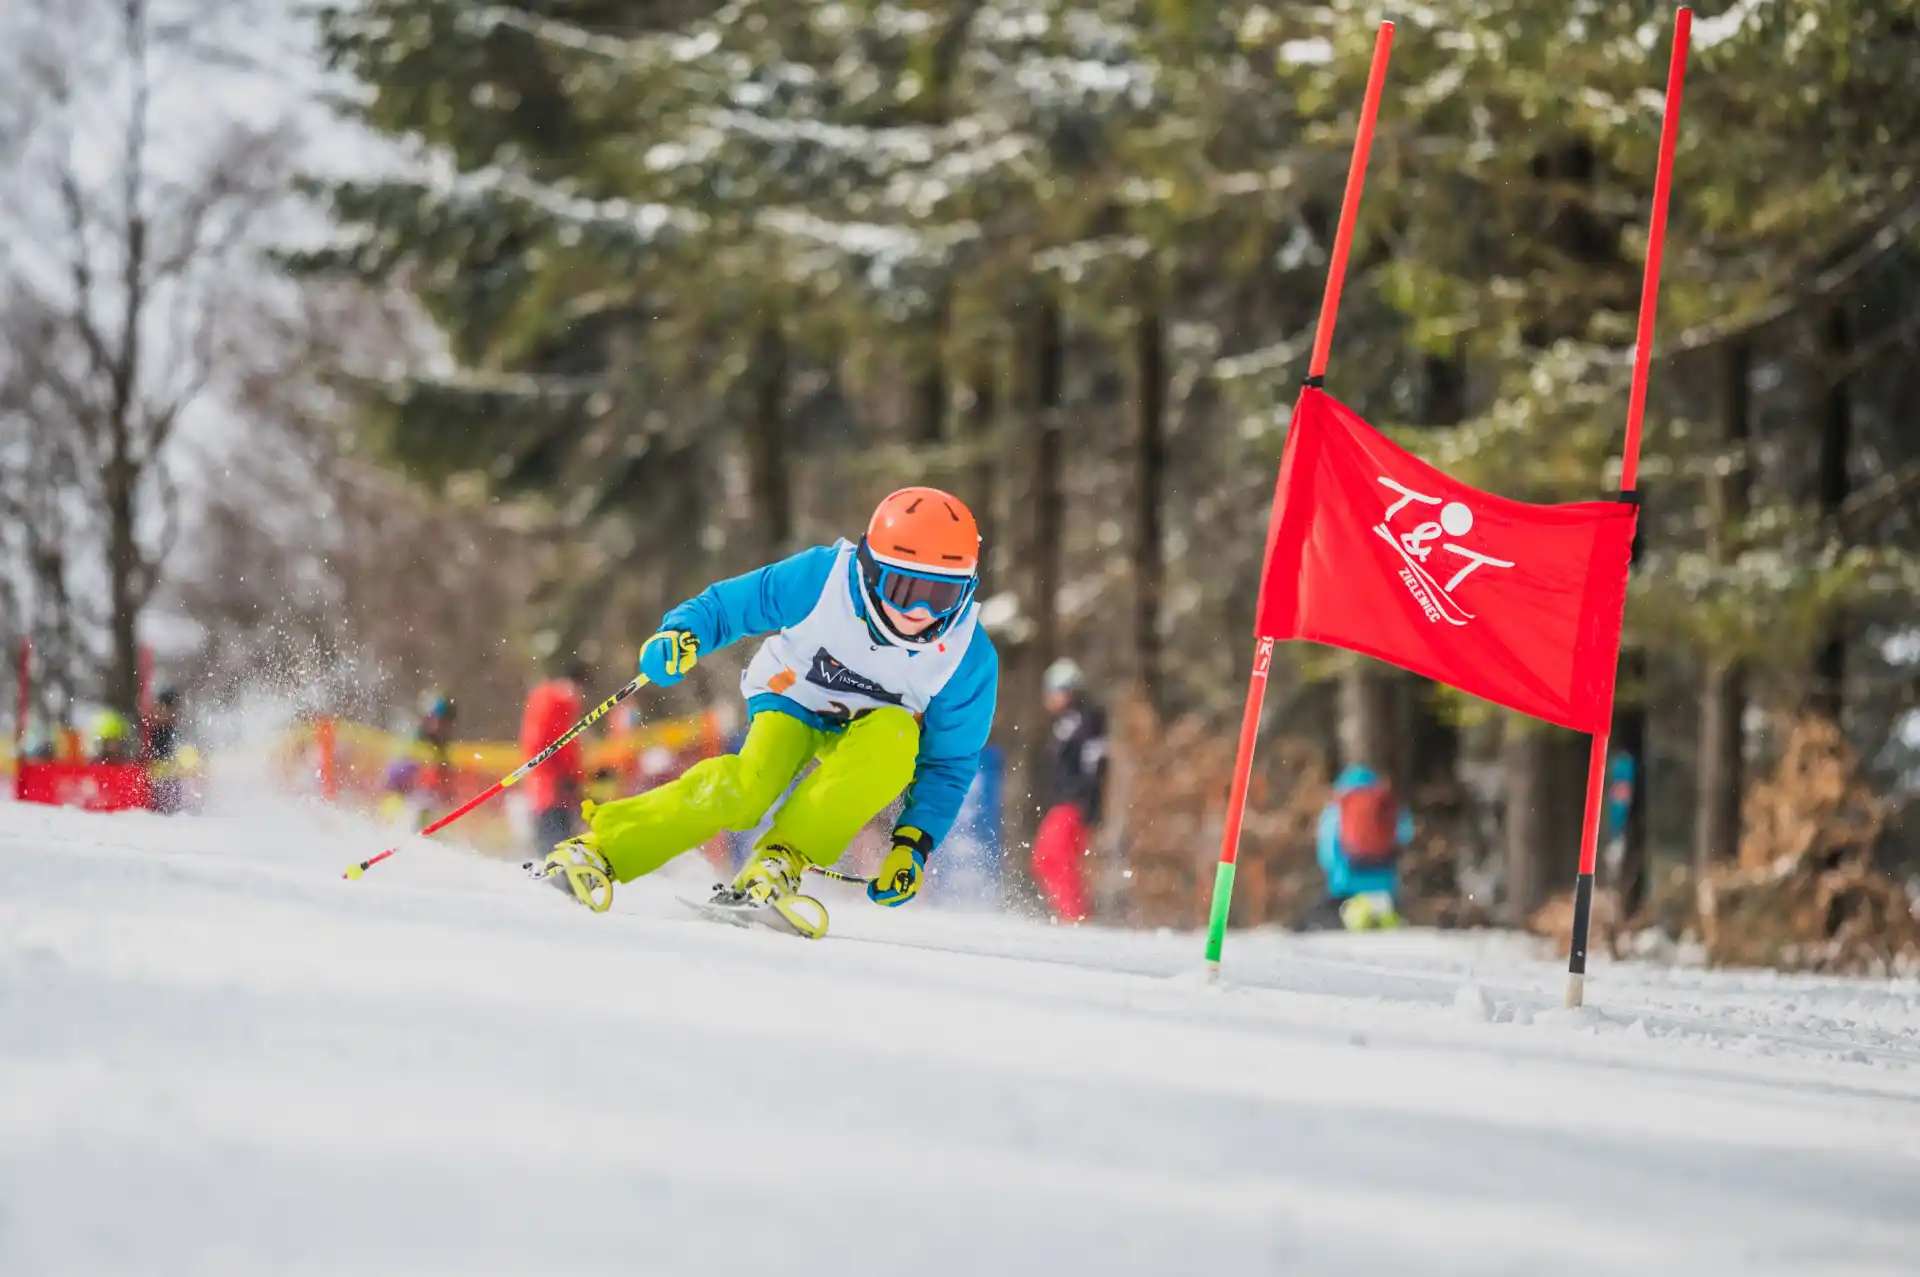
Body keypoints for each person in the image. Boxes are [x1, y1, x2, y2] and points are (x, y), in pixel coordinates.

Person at [532, 486, 999, 940]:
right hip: (794, 697)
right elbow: (732, 605)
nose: (918, 611)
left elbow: (949, 763)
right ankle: (598, 851)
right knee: (749, 787)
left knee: (898, 742)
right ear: (871, 569)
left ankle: (777, 864)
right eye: (903, 588)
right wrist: (682, 635)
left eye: (941, 596)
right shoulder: (824, 579)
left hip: (876, 726)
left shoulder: (967, 657)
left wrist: (912, 844)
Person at [1031, 658, 1107, 923]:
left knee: (1051, 858)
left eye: (1052, 691)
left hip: (1073, 804)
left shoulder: (1084, 720)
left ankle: (1075, 915)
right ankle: (1073, 914)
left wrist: (1087, 803)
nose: (1048, 698)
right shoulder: (1067, 722)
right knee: (1051, 860)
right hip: (1066, 802)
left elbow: (1093, 765)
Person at [1298, 763, 1413, 932]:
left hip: (1347, 885)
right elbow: (1405, 833)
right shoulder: (1385, 803)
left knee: (1315, 919)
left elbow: (1328, 849)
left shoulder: (1339, 805)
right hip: (1386, 885)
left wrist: (1335, 871)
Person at [519, 658, 590, 857]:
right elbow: (560, 743)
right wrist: (569, 776)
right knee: (557, 844)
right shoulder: (561, 700)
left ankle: (552, 871)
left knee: (550, 842)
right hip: (554, 787)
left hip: (544, 785)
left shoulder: (542, 696)